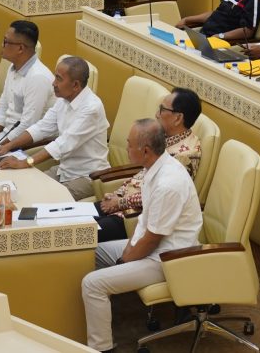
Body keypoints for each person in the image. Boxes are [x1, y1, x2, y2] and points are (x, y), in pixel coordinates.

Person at [81, 118, 202, 353]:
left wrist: (124, 260)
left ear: (145, 150)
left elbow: (152, 240)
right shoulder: (154, 169)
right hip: (152, 247)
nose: (125, 148)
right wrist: (127, 250)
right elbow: (144, 225)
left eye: (129, 144)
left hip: (168, 259)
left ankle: (102, 348)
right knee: (88, 252)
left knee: (92, 284)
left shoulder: (168, 184)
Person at [0, 56, 109, 199]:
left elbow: (62, 144)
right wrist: (7, 146)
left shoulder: (92, 108)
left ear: (75, 85)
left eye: (59, 79)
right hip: (63, 170)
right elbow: (41, 128)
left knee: (40, 198)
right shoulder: (64, 99)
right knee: (23, 187)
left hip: (87, 176)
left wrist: (26, 162)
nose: (53, 83)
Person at [95, 89, 202, 242]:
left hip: (135, 216)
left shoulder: (185, 155)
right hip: (123, 203)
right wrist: (118, 194)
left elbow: (158, 195)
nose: (157, 114)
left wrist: (120, 202)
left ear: (178, 118)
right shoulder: (165, 138)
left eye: (162, 109)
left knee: (83, 234)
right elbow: (141, 175)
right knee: (75, 219)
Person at [0, 21, 55, 143]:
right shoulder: (13, 68)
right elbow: (2, 108)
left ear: (20, 48)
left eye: (5, 41)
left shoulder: (38, 78)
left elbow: (28, 126)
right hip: (3, 138)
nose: (2, 45)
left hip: (24, 144)